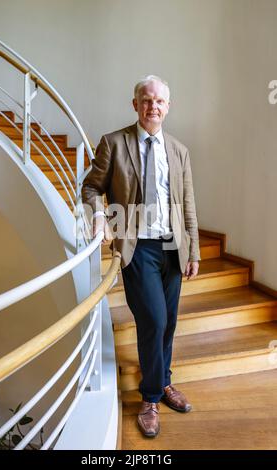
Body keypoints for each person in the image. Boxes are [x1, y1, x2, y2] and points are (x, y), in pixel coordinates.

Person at [82, 75, 200, 438]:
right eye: (146, 101)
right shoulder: (113, 143)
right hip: (138, 247)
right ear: (136, 105)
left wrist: (193, 249)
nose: (153, 107)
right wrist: (100, 217)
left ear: (168, 106)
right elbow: (90, 187)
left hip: (172, 247)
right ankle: (150, 398)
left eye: (159, 102)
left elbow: (187, 203)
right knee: (153, 320)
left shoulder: (178, 150)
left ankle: (163, 382)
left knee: (168, 322)